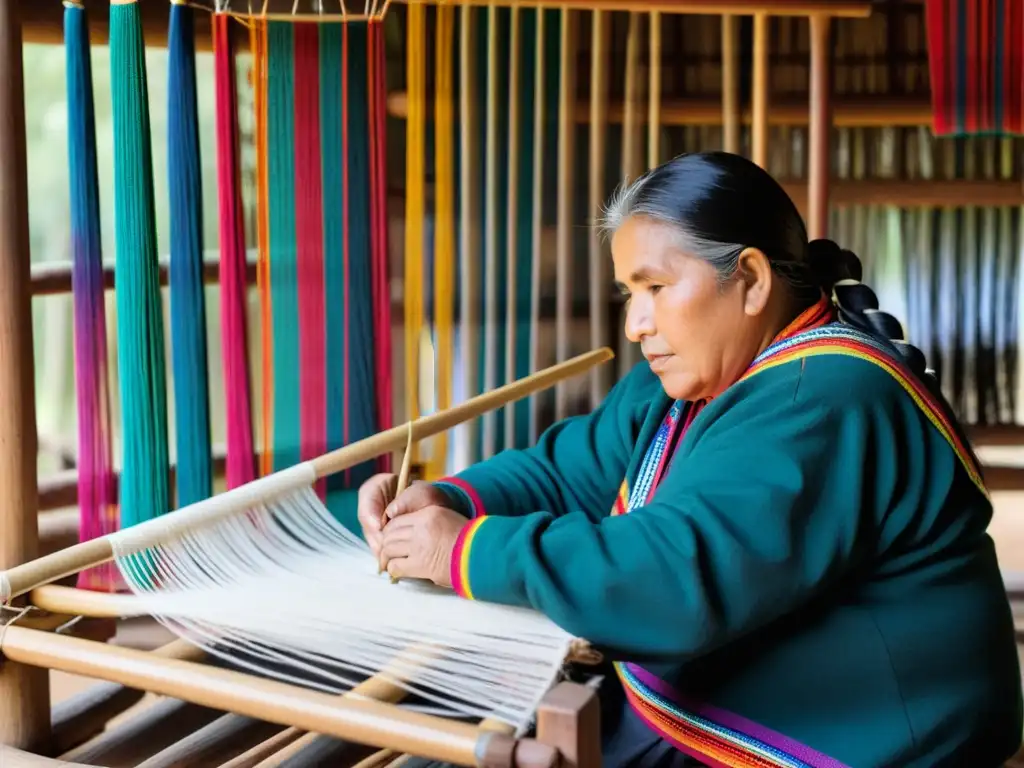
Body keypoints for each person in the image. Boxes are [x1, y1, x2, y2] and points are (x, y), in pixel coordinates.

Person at [341, 151, 1023, 767]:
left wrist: (463, 552)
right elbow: (574, 468)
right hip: (737, 704)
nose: (637, 323)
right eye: (629, 294)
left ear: (750, 280)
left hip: (863, 741)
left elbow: (672, 577)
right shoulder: (697, 374)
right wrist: (455, 501)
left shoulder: (823, 398)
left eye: (656, 289)